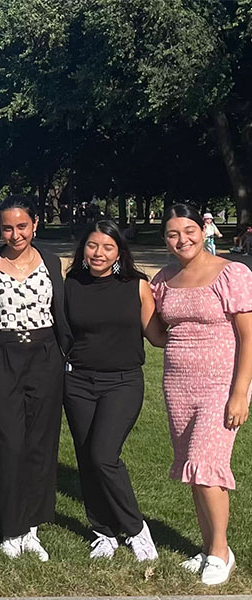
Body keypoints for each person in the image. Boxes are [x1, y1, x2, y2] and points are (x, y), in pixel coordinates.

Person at [151, 204, 252, 585]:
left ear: (203, 230)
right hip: (179, 385)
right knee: (195, 472)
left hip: (222, 383)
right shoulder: (164, 279)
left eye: (189, 230)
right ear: (166, 239)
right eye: (173, 233)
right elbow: (160, 335)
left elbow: (248, 336)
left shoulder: (233, 273)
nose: (183, 239)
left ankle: (220, 553)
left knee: (206, 464)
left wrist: (240, 392)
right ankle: (209, 547)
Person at [0, 195, 72, 560]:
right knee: (8, 443)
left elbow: (63, 310)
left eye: (22, 226)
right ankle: (11, 527)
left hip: (45, 356)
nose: (15, 235)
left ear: (35, 224)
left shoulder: (51, 260)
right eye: (7, 228)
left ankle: (32, 527)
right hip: (1, 356)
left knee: (40, 444)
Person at [64, 220, 166, 561]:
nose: (99, 253)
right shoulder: (72, 283)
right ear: (84, 249)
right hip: (78, 382)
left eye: (108, 247)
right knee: (86, 458)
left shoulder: (136, 285)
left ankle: (136, 530)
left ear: (119, 252)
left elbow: (157, 336)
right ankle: (103, 532)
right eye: (93, 246)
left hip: (122, 382)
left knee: (103, 455)